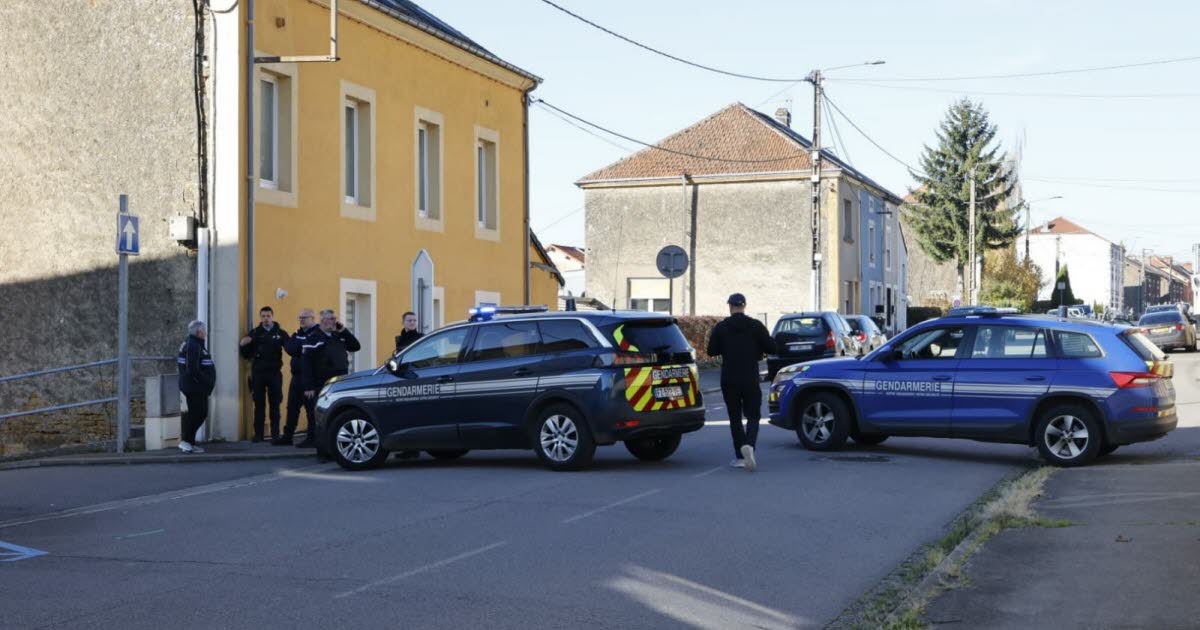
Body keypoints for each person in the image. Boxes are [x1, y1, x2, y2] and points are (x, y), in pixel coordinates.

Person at [706, 293, 776, 472]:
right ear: (744, 306)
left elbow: (711, 350)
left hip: (729, 378)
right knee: (753, 415)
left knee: (735, 418)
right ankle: (750, 446)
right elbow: (771, 347)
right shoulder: (756, 326)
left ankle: (740, 456)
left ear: (730, 307)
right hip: (750, 377)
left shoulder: (721, 327)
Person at [298, 309, 362, 448]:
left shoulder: (338, 336)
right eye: (331, 318)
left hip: (340, 381)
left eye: (335, 318)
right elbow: (306, 363)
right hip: (321, 383)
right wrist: (308, 386)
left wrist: (344, 330)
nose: (334, 321)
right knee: (321, 417)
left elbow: (356, 346)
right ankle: (322, 450)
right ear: (322, 321)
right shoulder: (313, 337)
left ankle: (337, 446)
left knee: (338, 415)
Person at [239, 306, 290, 442]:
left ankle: (275, 434)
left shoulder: (280, 332)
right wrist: (244, 344)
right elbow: (245, 352)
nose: (266, 319)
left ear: (272, 316)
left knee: (275, 404)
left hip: (274, 373)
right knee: (259, 405)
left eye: (268, 316)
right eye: (263, 316)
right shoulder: (255, 332)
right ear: (260, 317)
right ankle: (259, 435)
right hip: (258, 373)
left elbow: (291, 347)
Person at [274, 308, 319, 446]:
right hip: (296, 377)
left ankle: (312, 438)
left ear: (312, 318)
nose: (301, 320)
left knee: (311, 409)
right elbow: (290, 348)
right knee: (292, 407)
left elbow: (300, 349)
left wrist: (298, 346)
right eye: (299, 318)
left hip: (310, 378)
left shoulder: (316, 334)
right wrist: (299, 346)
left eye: (304, 317)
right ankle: (288, 436)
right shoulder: (298, 333)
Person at [177, 320, 216, 454]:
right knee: (200, 413)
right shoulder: (194, 345)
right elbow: (192, 369)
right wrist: (206, 382)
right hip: (195, 387)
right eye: (204, 331)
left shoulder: (193, 343)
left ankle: (190, 443)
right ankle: (186, 441)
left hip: (194, 386)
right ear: (199, 332)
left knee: (196, 413)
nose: (205, 333)